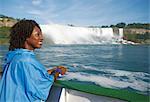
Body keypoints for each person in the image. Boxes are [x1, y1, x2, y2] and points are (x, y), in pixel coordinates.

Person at [0, 19, 67, 102]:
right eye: (37, 35)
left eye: (41, 34)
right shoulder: (27, 60)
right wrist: (58, 72)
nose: (41, 38)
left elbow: (29, 75)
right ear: (26, 37)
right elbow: (40, 87)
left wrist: (50, 71)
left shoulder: (15, 56)